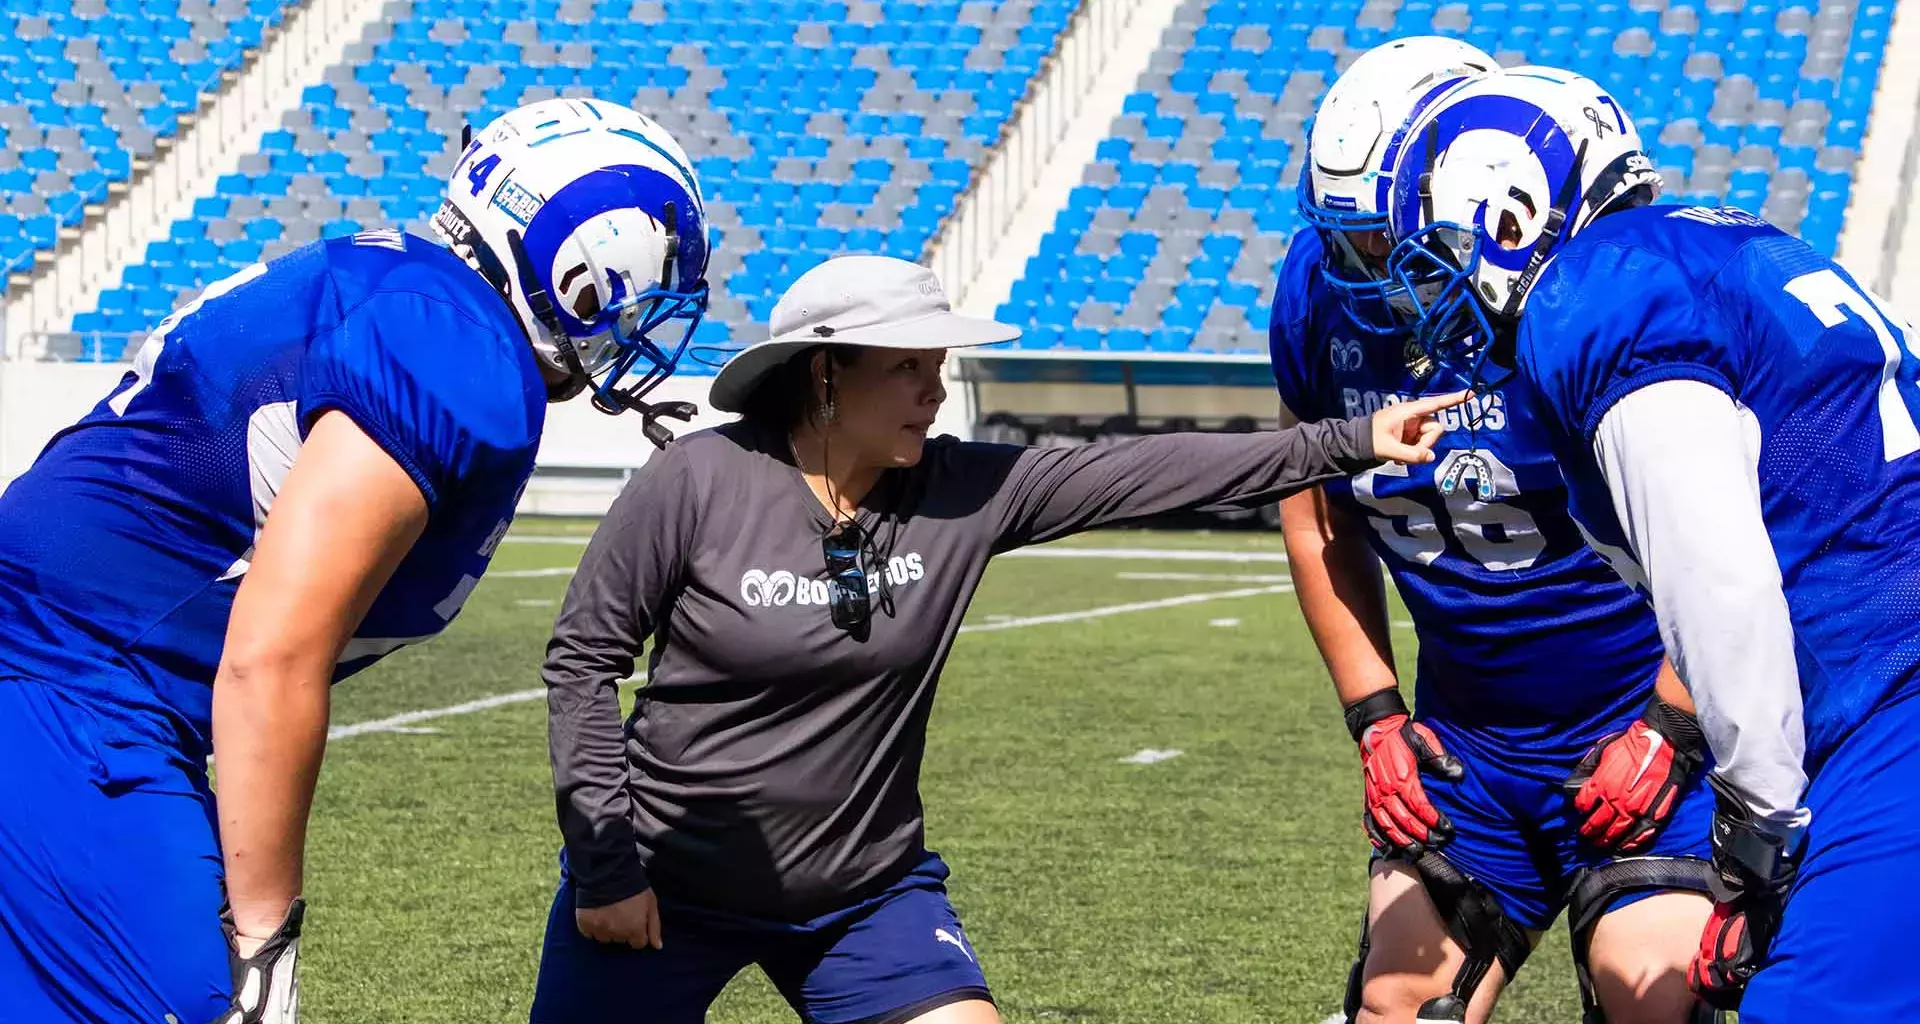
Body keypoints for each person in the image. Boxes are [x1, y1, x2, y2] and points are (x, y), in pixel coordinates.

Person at [531, 253, 1466, 1024]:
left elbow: (1144, 470)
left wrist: (1347, 440)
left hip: (862, 896)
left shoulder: (963, 489)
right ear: (825, 372)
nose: (934, 392)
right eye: (907, 368)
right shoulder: (697, 481)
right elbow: (581, 662)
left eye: (938, 367)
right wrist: (608, 867)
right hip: (662, 892)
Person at [0, 97, 712, 1024]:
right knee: (188, 1003)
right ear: (579, 263)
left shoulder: (418, 295)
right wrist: (264, 941)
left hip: (77, 672)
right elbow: (272, 654)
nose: (635, 326)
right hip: (73, 682)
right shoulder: (454, 349)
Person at [1383, 64, 1920, 1021]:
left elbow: (1718, 572)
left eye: (1446, 255)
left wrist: (1762, 825)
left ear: (1515, 218)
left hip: (1897, 688)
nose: (1432, 296)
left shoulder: (1600, 293)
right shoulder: (1729, 245)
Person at [1274, 43, 1719, 1024]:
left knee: (1654, 997)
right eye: (1342, 239)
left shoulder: (1588, 305)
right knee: (1398, 1001)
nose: (1360, 273)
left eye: (1382, 242)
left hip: (1643, 726)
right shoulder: (1315, 296)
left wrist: (1674, 725)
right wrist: (1376, 716)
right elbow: (1317, 518)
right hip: (1472, 752)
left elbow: (1735, 543)